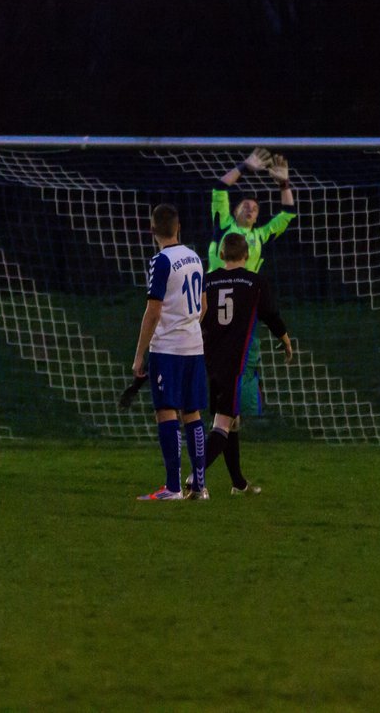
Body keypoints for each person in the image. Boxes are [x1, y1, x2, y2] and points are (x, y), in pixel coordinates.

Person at [194, 233, 293, 496]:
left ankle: (238, 483)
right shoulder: (255, 282)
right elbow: (271, 315)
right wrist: (285, 339)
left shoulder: (209, 280)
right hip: (237, 364)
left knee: (230, 419)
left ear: (223, 255)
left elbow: (198, 314)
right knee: (223, 424)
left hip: (211, 359)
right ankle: (196, 476)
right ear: (246, 255)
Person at [208, 146, 296, 418]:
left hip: (244, 310)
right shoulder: (223, 226)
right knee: (209, 363)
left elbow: (288, 214)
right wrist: (245, 166)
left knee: (243, 364)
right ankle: (208, 414)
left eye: (255, 208)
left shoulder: (260, 235)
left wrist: (283, 183)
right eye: (245, 204)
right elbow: (219, 187)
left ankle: (239, 419)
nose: (250, 208)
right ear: (233, 210)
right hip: (210, 303)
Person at [133, 204, 208, 501]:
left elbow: (153, 311)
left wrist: (140, 355)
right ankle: (199, 486)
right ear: (179, 227)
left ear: (152, 231)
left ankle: (173, 487)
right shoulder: (195, 257)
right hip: (194, 346)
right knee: (193, 412)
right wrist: (187, 323)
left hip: (168, 349)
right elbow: (202, 305)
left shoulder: (161, 261)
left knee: (166, 411)